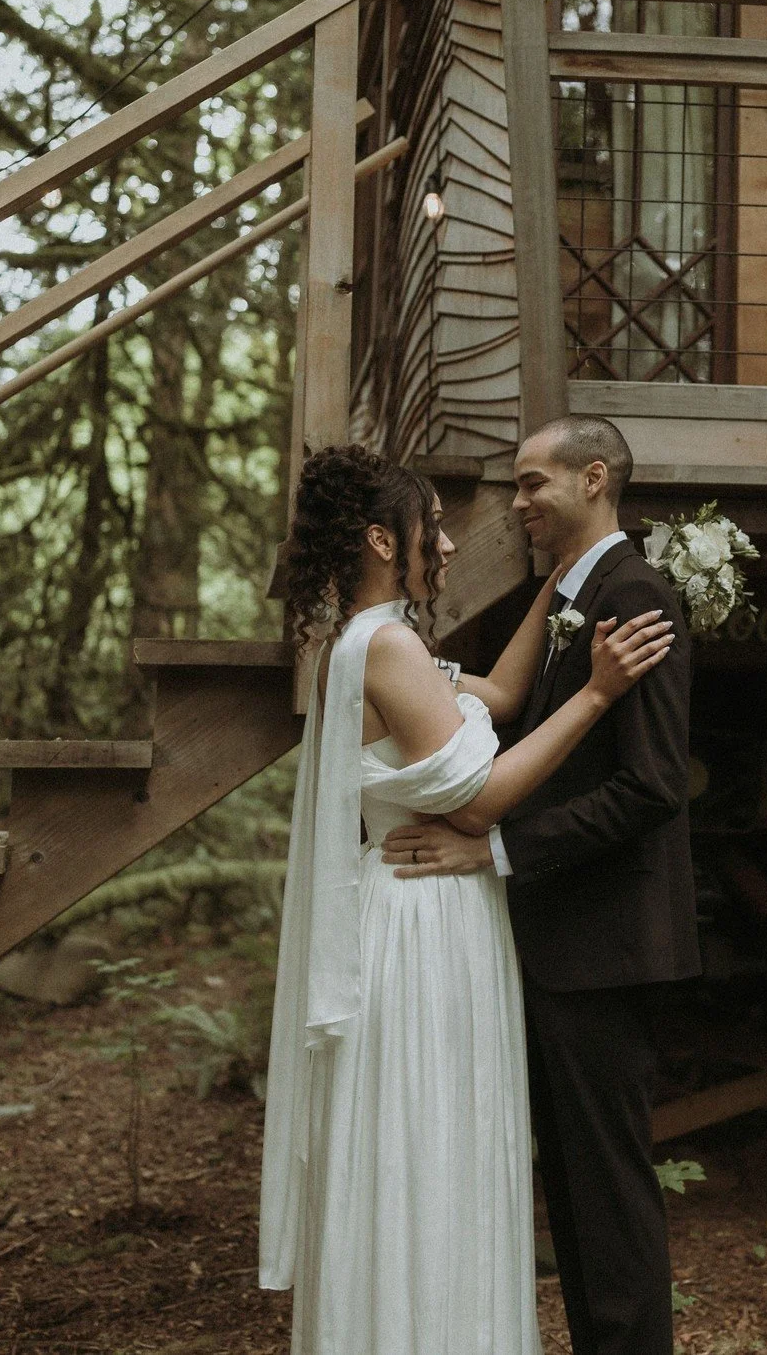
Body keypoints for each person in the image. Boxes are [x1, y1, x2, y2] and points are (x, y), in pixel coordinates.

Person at [258, 443, 672, 1355]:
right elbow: (481, 800)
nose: (447, 545)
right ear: (382, 540)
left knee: (422, 1148)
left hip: (418, 909)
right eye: (432, 528)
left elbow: (506, 693)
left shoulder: (360, 643)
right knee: (431, 1146)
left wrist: (563, 579)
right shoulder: (390, 648)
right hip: (423, 920)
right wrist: (598, 694)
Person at [381, 413, 701, 1355]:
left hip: (605, 944)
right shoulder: (573, 589)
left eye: (532, 483)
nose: (517, 502)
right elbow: (516, 708)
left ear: (593, 478)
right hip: (565, 941)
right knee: (574, 1190)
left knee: (609, 1193)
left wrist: (498, 850)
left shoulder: (633, 593)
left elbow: (653, 785)